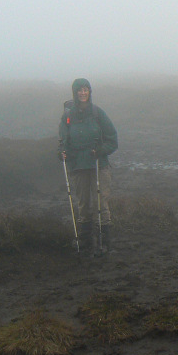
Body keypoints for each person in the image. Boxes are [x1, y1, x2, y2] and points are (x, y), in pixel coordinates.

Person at [59, 78, 118, 257]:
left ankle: (105, 243)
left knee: (102, 204)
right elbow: (63, 141)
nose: (83, 93)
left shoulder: (98, 113)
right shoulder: (68, 116)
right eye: (79, 90)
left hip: (98, 164)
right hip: (78, 166)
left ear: (89, 92)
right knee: (83, 205)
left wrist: (101, 151)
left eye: (86, 90)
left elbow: (113, 139)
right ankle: (86, 244)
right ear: (75, 93)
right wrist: (62, 152)